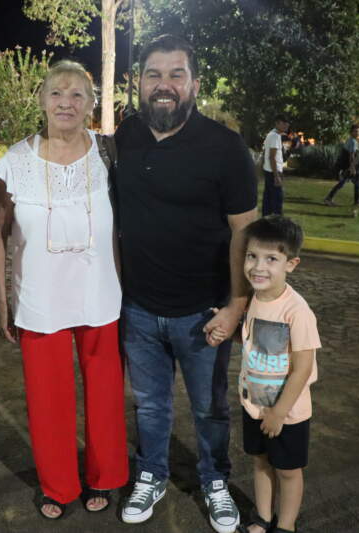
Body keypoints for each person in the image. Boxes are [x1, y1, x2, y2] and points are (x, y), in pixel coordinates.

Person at [114, 34, 258, 533]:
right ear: (139, 83)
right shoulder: (125, 137)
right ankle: (151, 474)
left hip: (204, 312)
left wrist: (238, 304)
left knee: (209, 408)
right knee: (149, 405)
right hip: (137, 310)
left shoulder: (225, 147)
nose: (164, 85)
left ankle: (215, 479)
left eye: (176, 74)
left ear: (194, 83)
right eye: (154, 75)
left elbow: (246, 230)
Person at [0, 60, 127, 520]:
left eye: (77, 95)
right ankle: (58, 485)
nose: (66, 103)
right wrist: (2, 298)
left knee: (105, 393)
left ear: (91, 103)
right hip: (39, 297)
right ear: (42, 100)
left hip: (101, 293)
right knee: (48, 398)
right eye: (56, 94)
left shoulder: (109, 155)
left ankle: (105, 477)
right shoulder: (16, 161)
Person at [234, 216, 320, 533]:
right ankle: (262, 518)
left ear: (291, 264)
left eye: (272, 259)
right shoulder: (256, 299)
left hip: (287, 414)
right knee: (260, 462)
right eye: (252, 256)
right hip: (254, 406)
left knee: (288, 471)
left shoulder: (297, 311)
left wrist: (279, 412)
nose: (259, 267)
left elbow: (303, 368)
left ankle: (285, 526)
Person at [323, 124, 359, 207]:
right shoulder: (353, 142)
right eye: (356, 131)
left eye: (358, 131)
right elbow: (351, 155)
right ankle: (328, 199)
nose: (358, 133)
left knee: (351, 183)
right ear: (351, 132)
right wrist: (352, 168)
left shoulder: (351, 140)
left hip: (348, 166)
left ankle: (356, 201)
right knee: (346, 183)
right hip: (349, 166)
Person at [262, 115, 290, 216]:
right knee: (277, 201)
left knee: (268, 199)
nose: (286, 127)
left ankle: (266, 222)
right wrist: (276, 175)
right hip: (273, 172)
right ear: (277, 123)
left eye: (287, 125)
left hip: (269, 170)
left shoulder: (272, 134)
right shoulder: (275, 136)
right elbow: (272, 157)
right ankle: (277, 224)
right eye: (283, 124)